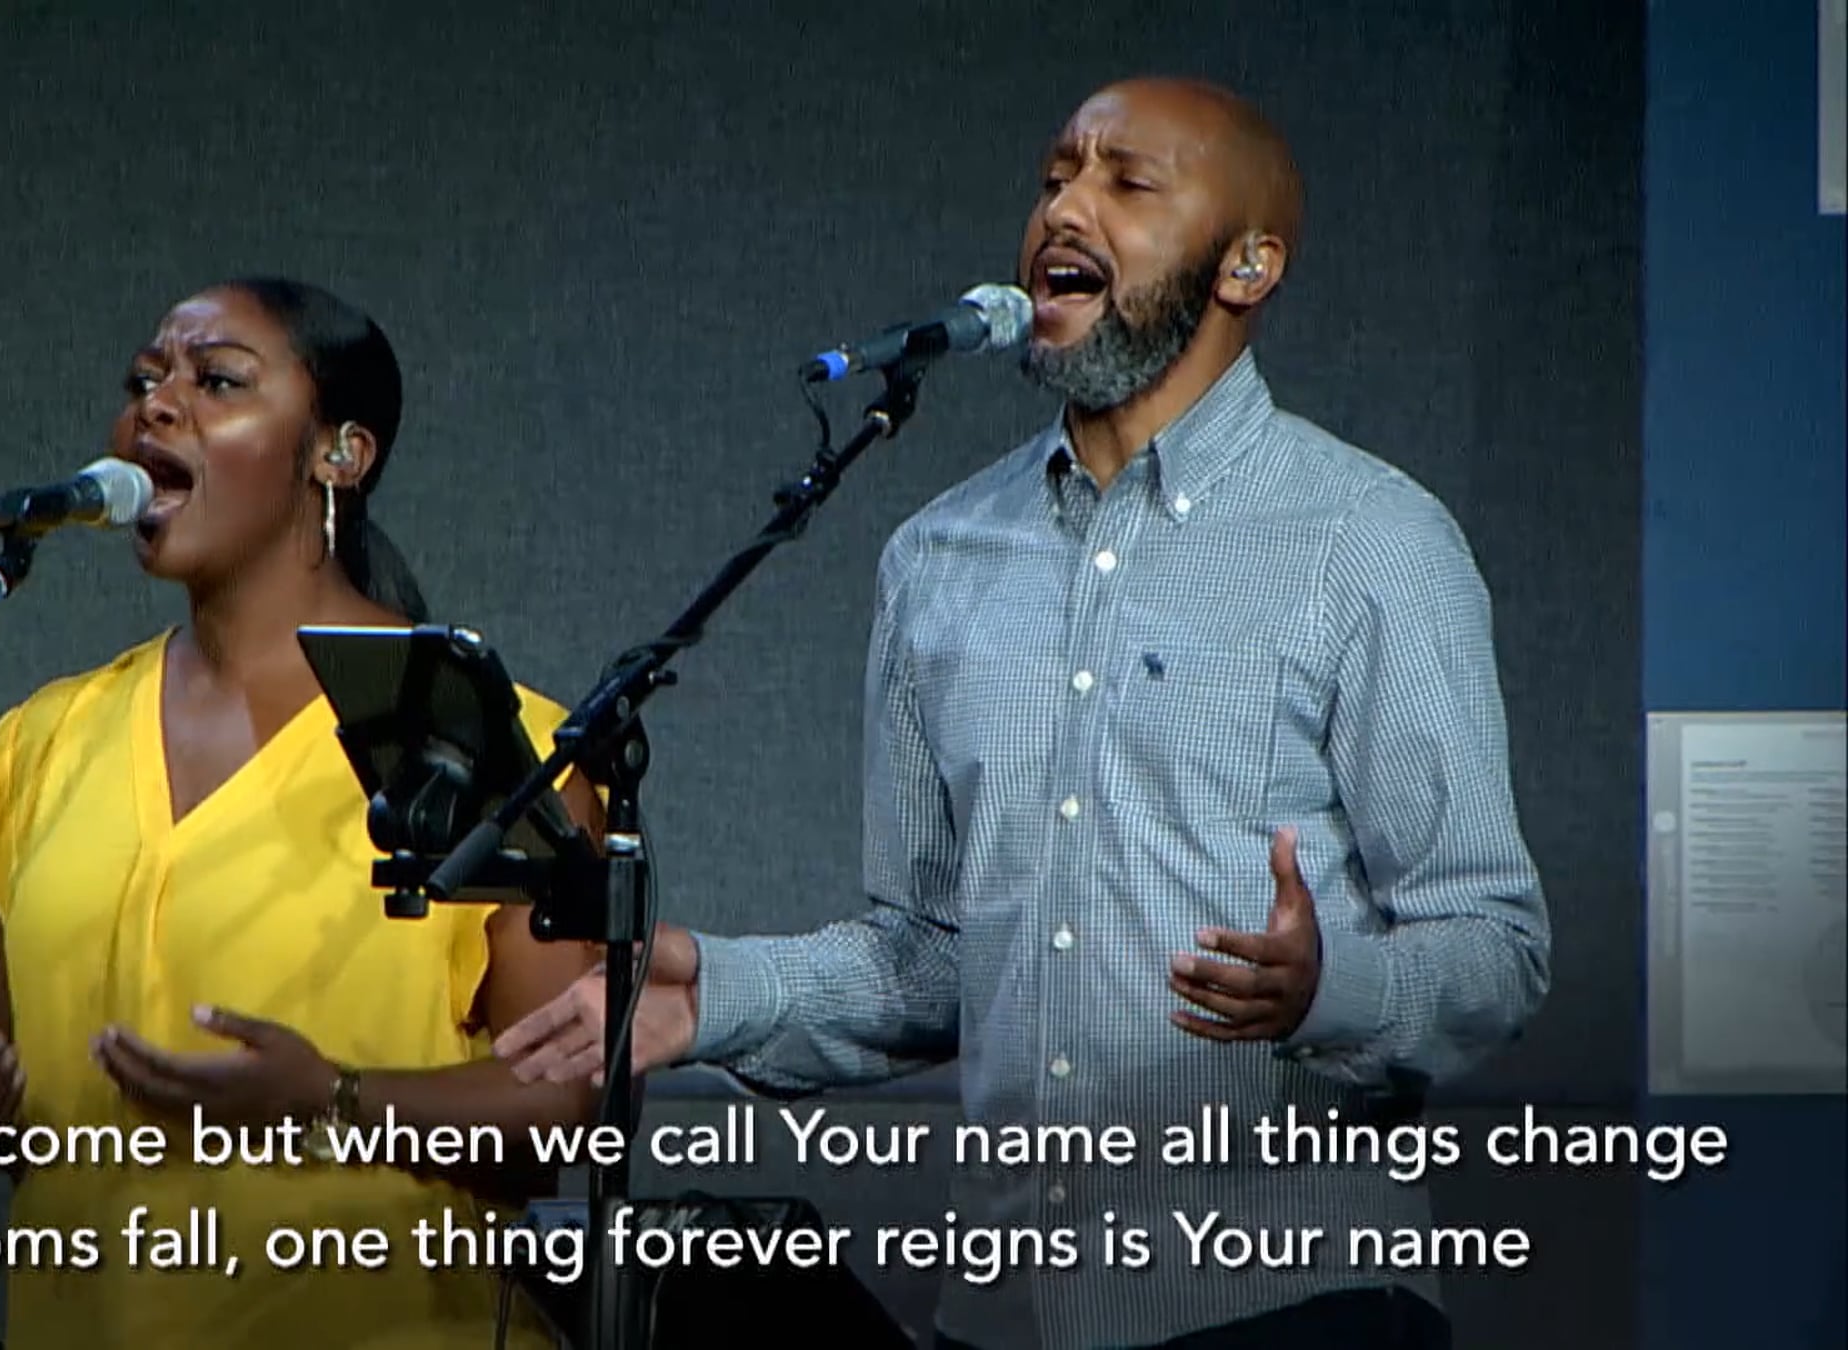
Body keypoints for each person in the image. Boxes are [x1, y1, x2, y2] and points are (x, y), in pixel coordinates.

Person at [496, 78, 1551, 1349]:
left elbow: (1495, 945)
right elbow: (934, 958)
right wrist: (714, 995)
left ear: (1249, 264)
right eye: (1057, 177)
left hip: (1285, 1300)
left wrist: (1331, 986)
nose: (1065, 207)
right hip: (1008, 1313)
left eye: (1127, 182)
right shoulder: (938, 556)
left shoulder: (1369, 540)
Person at [0, 277, 602, 1349]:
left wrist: (332, 1099)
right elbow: (29, 1114)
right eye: (144, 380)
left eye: (218, 381)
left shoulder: (488, 742)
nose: (155, 405)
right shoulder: (43, 742)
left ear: (341, 454)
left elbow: (564, 1114)